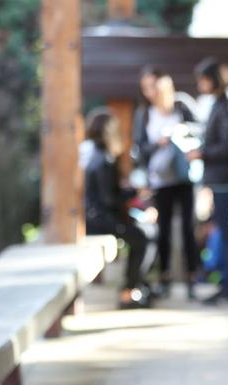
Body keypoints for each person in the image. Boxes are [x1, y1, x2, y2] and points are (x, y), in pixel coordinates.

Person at [133, 68, 201, 300]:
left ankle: (192, 277)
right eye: (146, 87)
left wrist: (180, 133)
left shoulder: (182, 105)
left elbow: (201, 129)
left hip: (185, 177)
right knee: (162, 230)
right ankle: (164, 277)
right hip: (160, 180)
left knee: (188, 229)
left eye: (153, 86)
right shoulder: (144, 114)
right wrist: (159, 144)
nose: (150, 92)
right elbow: (140, 149)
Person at [187, 57, 228, 305]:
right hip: (222, 180)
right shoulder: (221, 105)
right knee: (225, 233)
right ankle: (227, 286)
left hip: (227, 180)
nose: (200, 84)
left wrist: (201, 152)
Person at [83, 107, 150, 309]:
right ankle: (127, 293)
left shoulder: (96, 156)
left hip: (99, 218)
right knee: (140, 238)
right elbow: (109, 199)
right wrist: (134, 193)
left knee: (141, 235)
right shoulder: (103, 160)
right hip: (101, 220)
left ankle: (134, 287)